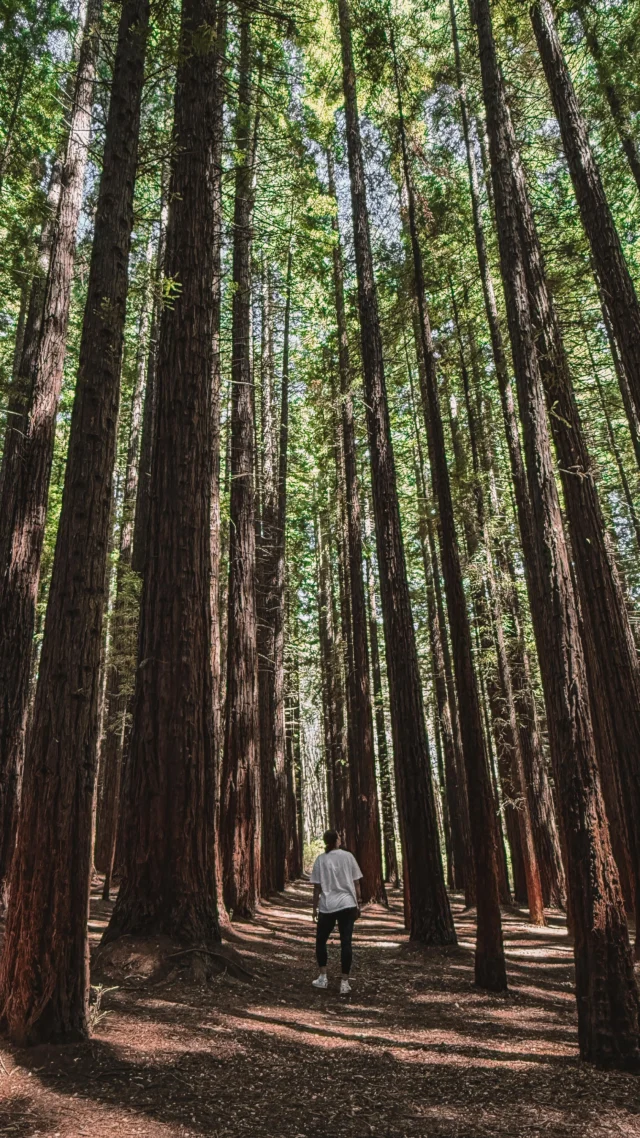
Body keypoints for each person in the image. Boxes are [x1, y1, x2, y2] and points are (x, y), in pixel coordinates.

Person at [310, 829, 363, 995]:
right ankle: (344, 982)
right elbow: (356, 883)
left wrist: (314, 908)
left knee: (321, 941)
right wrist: (358, 903)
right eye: (340, 837)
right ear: (337, 840)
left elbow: (317, 887)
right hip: (348, 905)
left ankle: (323, 977)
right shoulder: (348, 857)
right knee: (346, 942)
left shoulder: (321, 859)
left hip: (327, 906)